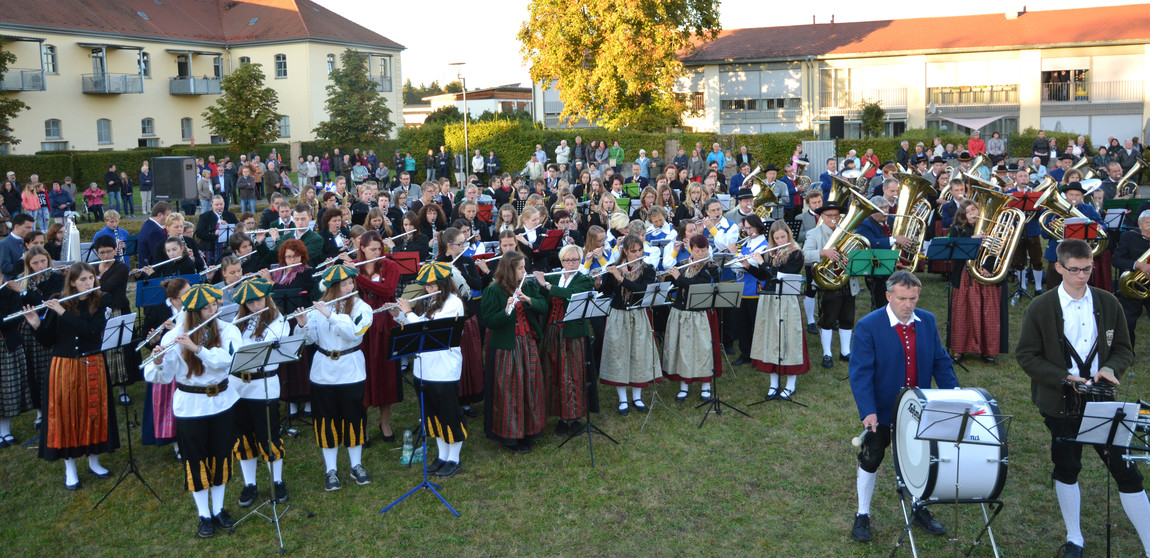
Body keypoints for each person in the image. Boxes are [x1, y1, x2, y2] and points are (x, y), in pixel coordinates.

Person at [1016, 239, 1150, 558]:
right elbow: (1026, 355)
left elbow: (1123, 350)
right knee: (1067, 465)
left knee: (1126, 469)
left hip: (1103, 400)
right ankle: (1074, 537)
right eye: (1074, 270)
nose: (1082, 276)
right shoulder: (1041, 307)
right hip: (1060, 402)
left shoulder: (1108, 302)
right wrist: (1063, 378)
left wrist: (1108, 368)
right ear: (1059, 267)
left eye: (1087, 268)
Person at [848, 270, 957, 543]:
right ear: (888, 296)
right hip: (882, 409)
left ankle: (919, 508)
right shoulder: (868, 325)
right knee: (871, 457)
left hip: (919, 408)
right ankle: (863, 514)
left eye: (913, 298)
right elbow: (860, 373)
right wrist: (868, 411)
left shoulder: (927, 322)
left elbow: (940, 362)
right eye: (901, 298)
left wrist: (954, 394)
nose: (908, 304)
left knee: (921, 459)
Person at [144, 284, 240, 538]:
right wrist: (157, 361)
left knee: (220, 455)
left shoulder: (228, 330)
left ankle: (218, 509)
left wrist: (198, 349)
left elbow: (227, 362)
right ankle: (203, 514)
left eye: (214, 305)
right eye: (207, 307)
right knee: (196, 459)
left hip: (222, 401)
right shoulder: (174, 336)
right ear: (193, 312)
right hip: (191, 406)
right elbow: (162, 378)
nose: (214, 310)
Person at [296, 265, 373, 491]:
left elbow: (355, 333)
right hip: (323, 372)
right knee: (326, 420)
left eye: (351, 283)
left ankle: (356, 465)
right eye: (344, 285)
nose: (350, 287)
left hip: (351, 370)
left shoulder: (362, 307)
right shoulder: (317, 309)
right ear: (331, 288)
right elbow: (308, 340)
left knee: (354, 417)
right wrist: (302, 324)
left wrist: (330, 315)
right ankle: (331, 469)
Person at [391, 261, 467, 477]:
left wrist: (409, 313)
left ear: (444, 284)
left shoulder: (453, 303)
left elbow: (430, 330)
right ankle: (442, 456)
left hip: (444, 369)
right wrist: (399, 315)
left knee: (449, 413)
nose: (429, 289)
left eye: (433, 285)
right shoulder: (431, 302)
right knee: (432, 414)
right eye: (427, 286)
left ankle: (454, 458)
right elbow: (417, 328)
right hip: (424, 369)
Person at [480, 251, 548, 453]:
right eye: (520, 268)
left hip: (528, 343)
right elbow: (490, 321)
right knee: (510, 390)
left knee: (530, 385)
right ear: (510, 269)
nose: (524, 271)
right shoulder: (494, 291)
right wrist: (507, 310)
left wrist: (528, 300)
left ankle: (528, 430)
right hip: (507, 348)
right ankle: (510, 436)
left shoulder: (528, 286)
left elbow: (544, 306)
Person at [534, 245, 594, 436]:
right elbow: (540, 300)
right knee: (555, 373)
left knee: (573, 375)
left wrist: (546, 286)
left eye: (575, 260)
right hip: (552, 332)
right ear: (561, 261)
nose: (571, 264)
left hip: (573, 334)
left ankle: (575, 417)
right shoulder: (552, 276)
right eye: (567, 260)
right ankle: (560, 417)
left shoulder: (585, 279)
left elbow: (570, 295)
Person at [597, 235, 661, 414]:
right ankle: (623, 399)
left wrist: (621, 278)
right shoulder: (614, 268)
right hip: (618, 316)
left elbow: (641, 289)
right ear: (625, 251)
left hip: (638, 315)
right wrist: (598, 284)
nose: (638, 254)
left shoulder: (648, 269)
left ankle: (637, 397)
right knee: (619, 355)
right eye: (634, 251)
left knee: (638, 354)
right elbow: (605, 293)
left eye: (640, 250)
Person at [745, 220, 809, 399]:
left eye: (784, 236)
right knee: (770, 339)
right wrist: (749, 266)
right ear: (772, 239)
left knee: (788, 340)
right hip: (769, 299)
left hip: (787, 300)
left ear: (788, 235)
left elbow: (780, 277)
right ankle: (773, 384)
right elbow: (765, 277)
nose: (781, 240)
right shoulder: (772, 253)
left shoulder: (796, 254)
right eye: (777, 238)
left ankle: (790, 384)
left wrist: (763, 263)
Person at [353, 231, 401, 443]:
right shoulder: (354, 267)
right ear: (362, 248)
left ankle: (384, 423)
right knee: (362, 375)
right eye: (372, 249)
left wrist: (359, 279)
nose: (377, 252)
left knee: (385, 375)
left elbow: (387, 290)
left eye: (379, 248)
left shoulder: (390, 266)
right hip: (361, 326)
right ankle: (362, 427)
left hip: (383, 323)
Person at [662, 233, 721, 401]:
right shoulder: (682, 264)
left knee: (702, 349)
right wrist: (671, 276)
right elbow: (674, 284)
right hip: (681, 311)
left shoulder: (712, 267)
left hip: (700, 313)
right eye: (697, 250)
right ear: (691, 250)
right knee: (682, 349)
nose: (701, 254)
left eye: (704, 250)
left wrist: (678, 278)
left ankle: (706, 385)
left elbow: (697, 286)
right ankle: (684, 385)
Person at [948, 199, 1008, 363]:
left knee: (988, 312)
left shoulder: (992, 229)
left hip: (986, 275)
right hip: (965, 276)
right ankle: (959, 350)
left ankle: (988, 350)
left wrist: (988, 268)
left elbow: (999, 251)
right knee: (963, 312)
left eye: (975, 209)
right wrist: (973, 239)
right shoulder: (957, 230)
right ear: (963, 215)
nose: (973, 213)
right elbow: (953, 249)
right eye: (968, 211)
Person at [802, 202, 857, 368]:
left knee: (847, 317)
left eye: (836, 216)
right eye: (829, 216)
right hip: (827, 281)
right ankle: (827, 353)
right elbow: (804, 255)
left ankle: (845, 352)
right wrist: (823, 252)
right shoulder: (814, 233)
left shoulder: (849, 232)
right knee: (828, 318)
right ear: (822, 217)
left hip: (846, 279)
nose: (833, 219)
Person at [1114, 210, 1150, 347]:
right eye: (1148, 223)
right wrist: (1138, 265)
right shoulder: (1128, 237)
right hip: (1132, 288)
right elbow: (1116, 260)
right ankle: (1128, 353)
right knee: (1128, 322)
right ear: (1140, 225)